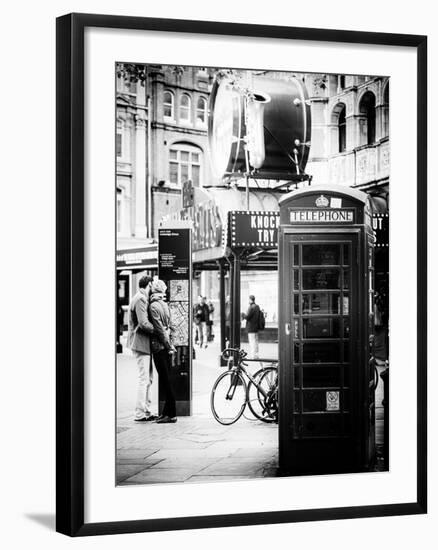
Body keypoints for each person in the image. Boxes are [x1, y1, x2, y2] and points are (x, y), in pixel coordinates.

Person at [127, 275, 157, 422]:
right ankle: (140, 413)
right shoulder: (140, 299)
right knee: (144, 379)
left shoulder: (139, 297)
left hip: (143, 344)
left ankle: (146, 411)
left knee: (148, 379)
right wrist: (158, 330)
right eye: (152, 285)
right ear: (149, 284)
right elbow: (143, 323)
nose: (152, 289)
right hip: (140, 344)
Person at [148, 279, 177, 423]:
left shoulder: (153, 306)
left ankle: (171, 414)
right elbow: (171, 327)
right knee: (167, 379)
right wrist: (171, 344)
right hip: (166, 347)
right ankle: (166, 412)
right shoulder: (165, 305)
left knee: (165, 381)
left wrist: (167, 345)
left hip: (159, 347)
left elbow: (159, 329)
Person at [242, 294, 261, 359]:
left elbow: (247, 317)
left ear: (250, 300)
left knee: (252, 342)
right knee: (256, 341)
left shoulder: (251, 307)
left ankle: (253, 355)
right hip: (256, 327)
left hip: (251, 327)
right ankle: (256, 354)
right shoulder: (257, 306)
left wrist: (243, 314)